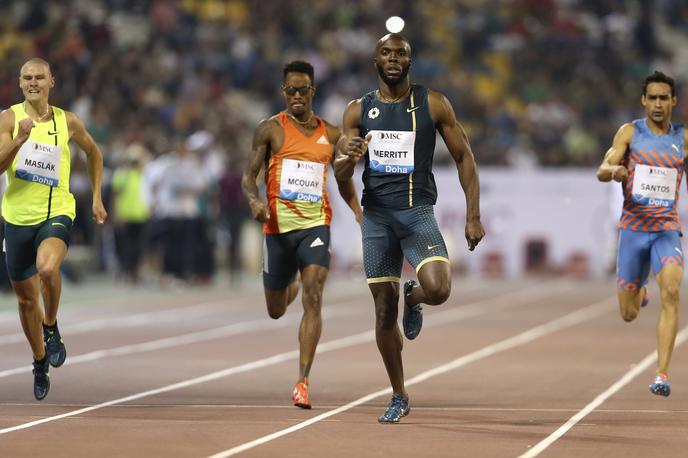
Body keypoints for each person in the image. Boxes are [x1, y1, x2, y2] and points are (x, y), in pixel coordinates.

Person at [334, 33, 484, 423]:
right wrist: (348, 159)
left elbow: (464, 157)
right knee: (384, 314)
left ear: (410, 62)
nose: (393, 58)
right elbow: (339, 170)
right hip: (378, 218)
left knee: (440, 288)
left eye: (401, 53)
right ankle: (399, 394)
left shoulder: (432, 103)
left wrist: (473, 215)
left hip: (417, 212)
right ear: (376, 61)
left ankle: (414, 298)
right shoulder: (356, 111)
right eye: (386, 52)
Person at [242, 61, 362, 409]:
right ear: (284, 92)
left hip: (315, 226)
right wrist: (254, 200)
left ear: (313, 91)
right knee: (276, 310)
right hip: (278, 229)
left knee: (315, 294)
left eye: (303, 89)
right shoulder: (269, 130)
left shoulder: (333, 134)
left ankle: (302, 381)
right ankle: (290, 279)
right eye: (290, 90)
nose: (297, 95)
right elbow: (249, 176)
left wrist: (355, 207)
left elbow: (343, 175)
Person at [0, 58, 107, 400]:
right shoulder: (8, 119)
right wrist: (18, 141)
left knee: (47, 268)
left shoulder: (67, 121)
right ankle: (38, 359)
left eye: (39, 77)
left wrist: (96, 198)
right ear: (20, 83)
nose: (33, 82)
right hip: (17, 218)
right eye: (27, 77)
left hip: (57, 211)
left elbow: (94, 153)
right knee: (26, 299)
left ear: (52, 81)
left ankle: (52, 326)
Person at [596, 70, 687, 397]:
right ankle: (640, 291)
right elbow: (602, 169)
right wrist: (615, 171)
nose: (659, 104)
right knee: (629, 313)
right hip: (634, 231)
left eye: (665, 98)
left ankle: (662, 374)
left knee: (674, 291)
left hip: (666, 230)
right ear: (644, 101)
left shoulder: (683, 138)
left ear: (673, 101)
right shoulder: (630, 133)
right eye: (653, 98)